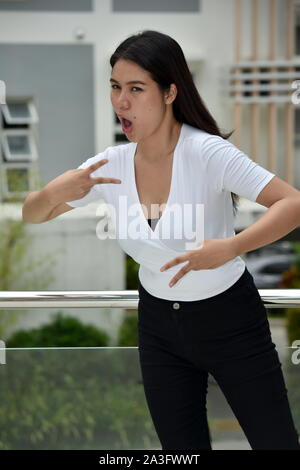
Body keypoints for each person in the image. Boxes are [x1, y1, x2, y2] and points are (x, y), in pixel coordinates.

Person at [22, 30, 300, 450]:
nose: (121, 101)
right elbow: (33, 214)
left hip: (231, 322)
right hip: (158, 328)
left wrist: (231, 247)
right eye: (115, 87)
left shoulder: (207, 153)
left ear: (171, 92)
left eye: (136, 88)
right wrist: (54, 192)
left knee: (275, 442)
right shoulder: (107, 166)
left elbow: (291, 204)